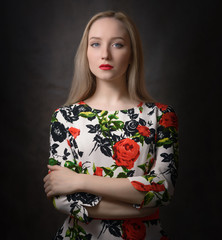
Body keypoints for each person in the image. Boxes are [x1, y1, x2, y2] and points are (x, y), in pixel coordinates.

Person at [43, 10, 178, 240]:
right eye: (95, 44)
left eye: (117, 45)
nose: (105, 54)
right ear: (85, 52)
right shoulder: (64, 118)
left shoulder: (161, 116)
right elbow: (62, 198)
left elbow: (162, 191)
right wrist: (141, 207)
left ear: (132, 53)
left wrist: (80, 181)